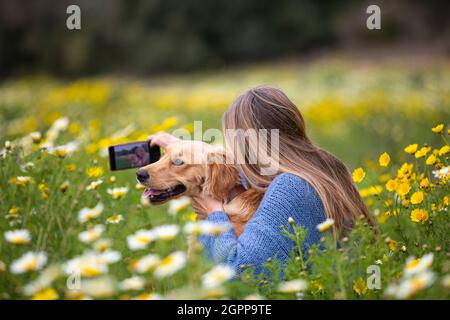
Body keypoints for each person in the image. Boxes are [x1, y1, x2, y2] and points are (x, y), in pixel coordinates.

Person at [149, 86, 375, 275]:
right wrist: (190, 154)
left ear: (249, 145)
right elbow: (252, 177)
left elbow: (240, 275)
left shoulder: (291, 187)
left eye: (233, 142)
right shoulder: (325, 167)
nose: (232, 151)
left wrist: (213, 214)